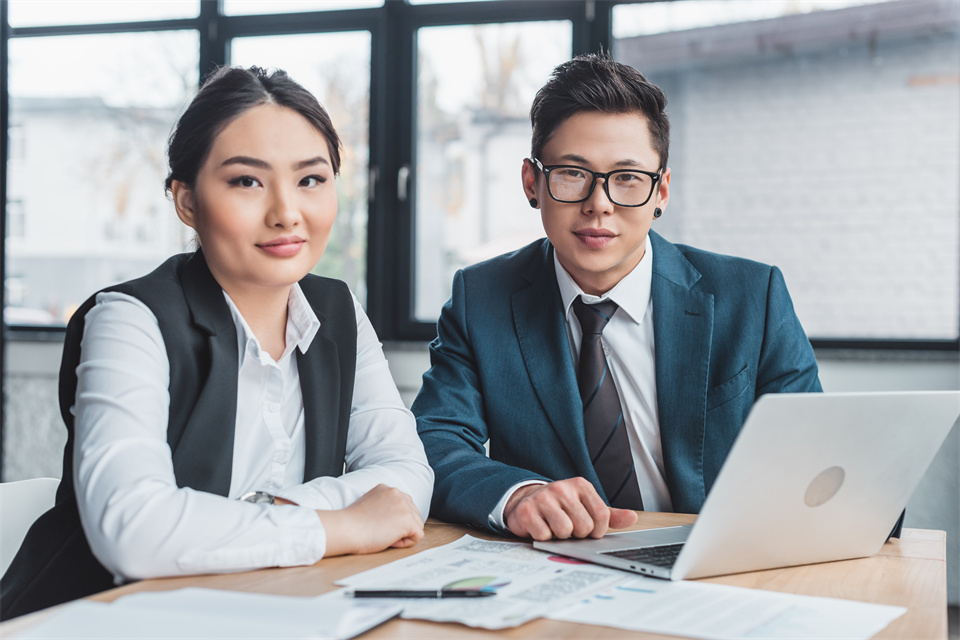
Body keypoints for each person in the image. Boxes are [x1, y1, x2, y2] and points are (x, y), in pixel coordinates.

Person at [1, 66, 433, 620]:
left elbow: (405, 479)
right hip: (93, 620)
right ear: (185, 201)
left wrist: (262, 512)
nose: (286, 213)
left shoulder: (338, 311)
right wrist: (340, 523)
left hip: (256, 612)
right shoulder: (131, 319)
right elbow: (133, 530)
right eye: (247, 181)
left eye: (311, 180)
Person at [412, 53, 822, 542]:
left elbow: (815, 461)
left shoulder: (753, 298)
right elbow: (434, 441)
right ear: (532, 183)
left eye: (627, 178)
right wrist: (517, 495)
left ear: (661, 192)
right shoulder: (482, 299)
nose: (599, 204)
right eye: (572, 173)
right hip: (557, 568)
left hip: (716, 563)